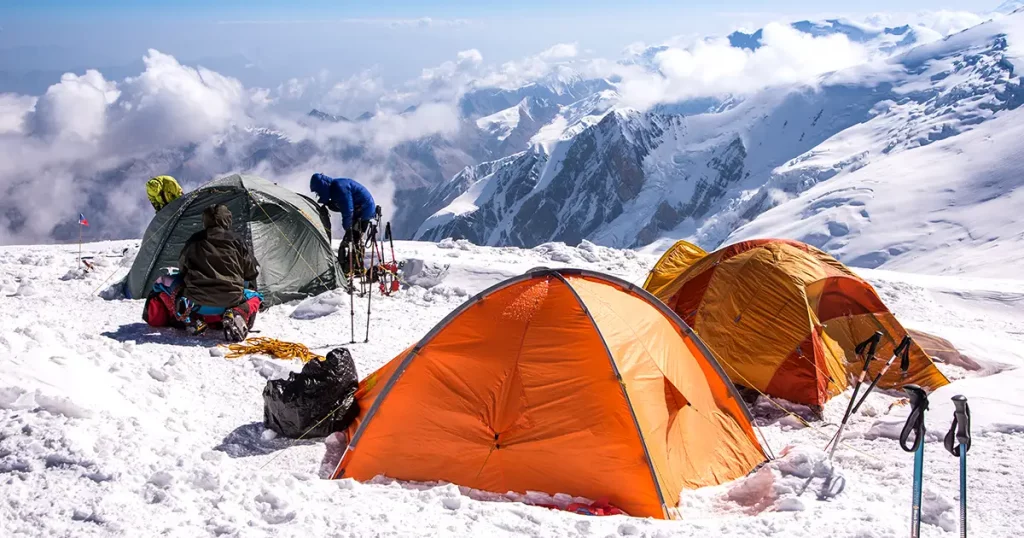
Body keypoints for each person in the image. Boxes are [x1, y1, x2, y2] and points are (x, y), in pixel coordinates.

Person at [177, 204, 260, 342]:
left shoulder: (193, 240)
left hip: (197, 302)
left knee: (175, 290)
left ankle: (193, 319)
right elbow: (252, 272)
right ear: (227, 219)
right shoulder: (237, 240)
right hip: (231, 300)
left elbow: (182, 268)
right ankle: (237, 312)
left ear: (205, 220)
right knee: (256, 297)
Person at [309, 173, 377, 275]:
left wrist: (348, 228)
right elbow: (345, 205)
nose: (318, 194)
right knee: (354, 241)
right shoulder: (336, 187)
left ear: (321, 186)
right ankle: (356, 267)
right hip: (362, 210)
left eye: (318, 191)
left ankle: (349, 269)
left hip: (363, 212)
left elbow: (348, 210)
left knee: (351, 241)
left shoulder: (338, 188)